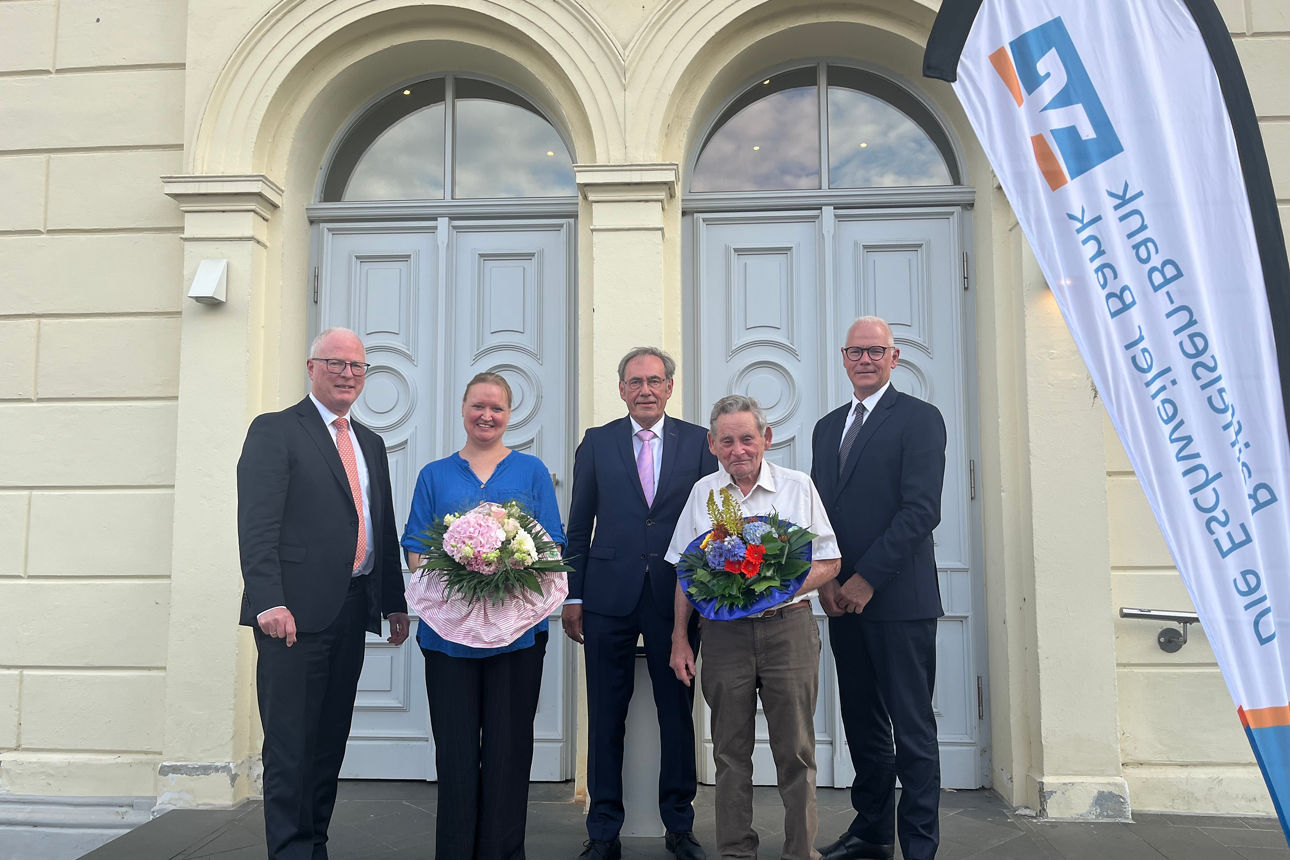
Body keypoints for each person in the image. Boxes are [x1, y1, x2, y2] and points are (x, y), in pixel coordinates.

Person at [237, 327, 411, 860]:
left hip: (351, 609)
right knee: (291, 746)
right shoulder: (275, 430)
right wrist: (268, 599)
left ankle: (315, 845)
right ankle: (289, 851)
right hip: (290, 618)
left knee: (328, 743)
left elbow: (381, 524)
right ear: (311, 367)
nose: (347, 374)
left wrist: (393, 601)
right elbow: (257, 524)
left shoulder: (370, 443)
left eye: (357, 367)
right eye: (335, 363)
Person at [667, 395, 841, 860]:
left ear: (765, 438)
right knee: (729, 753)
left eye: (747, 438)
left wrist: (778, 588)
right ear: (712, 444)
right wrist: (680, 638)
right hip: (724, 638)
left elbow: (829, 559)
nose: (738, 449)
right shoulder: (704, 494)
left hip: (789, 629)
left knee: (797, 751)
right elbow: (685, 573)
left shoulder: (797, 486)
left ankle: (800, 852)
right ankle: (735, 853)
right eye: (727, 440)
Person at [401, 372, 565, 860]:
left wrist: (504, 566)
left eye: (496, 408)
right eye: (478, 406)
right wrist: (465, 568)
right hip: (447, 639)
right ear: (463, 409)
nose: (486, 415)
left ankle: (501, 851)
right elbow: (415, 549)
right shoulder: (434, 474)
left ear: (509, 414)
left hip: (517, 637)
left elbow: (550, 545)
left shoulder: (531, 471)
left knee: (508, 751)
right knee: (454, 752)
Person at [562, 347, 718, 860]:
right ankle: (603, 830)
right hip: (608, 596)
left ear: (670, 387)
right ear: (622, 388)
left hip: (675, 599)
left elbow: (711, 523)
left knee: (677, 713)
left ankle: (679, 825)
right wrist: (574, 593)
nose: (645, 389)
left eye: (655, 380)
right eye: (635, 381)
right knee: (606, 713)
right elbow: (579, 524)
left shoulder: (699, 442)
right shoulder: (598, 442)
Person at [810, 316, 947, 860]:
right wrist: (828, 580)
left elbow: (921, 511)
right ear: (844, 359)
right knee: (861, 723)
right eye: (855, 351)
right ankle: (871, 832)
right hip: (842, 601)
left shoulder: (920, 420)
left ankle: (918, 844)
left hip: (899, 600)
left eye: (875, 351)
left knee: (912, 729)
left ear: (895, 358)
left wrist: (866, 580)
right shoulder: (826, 427)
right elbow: (817, 512)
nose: (864, 360)